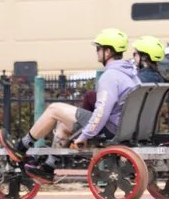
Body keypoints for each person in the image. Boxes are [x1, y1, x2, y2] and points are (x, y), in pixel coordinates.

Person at [21, 29, 137, 176]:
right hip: (124, 128)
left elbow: (102, 112)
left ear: (108, 52)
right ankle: (48, 167)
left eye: (98, 48)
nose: (97, 52)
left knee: (54, 109)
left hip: (110, 130)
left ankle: (21, 146)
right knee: (63, 122)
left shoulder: (110, 76)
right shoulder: (131, 75)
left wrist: (85, 136)